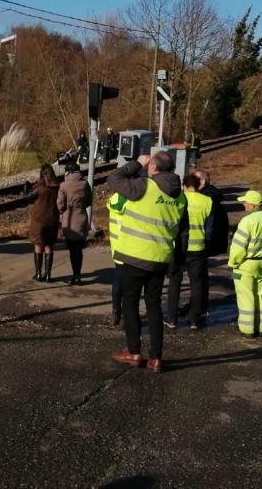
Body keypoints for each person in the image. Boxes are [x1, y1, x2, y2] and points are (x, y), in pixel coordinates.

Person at [107, 151, 187, 373]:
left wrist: (136, 164)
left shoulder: (144, 186)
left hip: (135, 256)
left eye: (149, 165)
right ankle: (156, 358)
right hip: (160, 260)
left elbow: (113, 179)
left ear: (153, 168)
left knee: (130, 304)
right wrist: (177, 263)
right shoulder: (180, 197)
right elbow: (183, 232)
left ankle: (133, 352)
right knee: (153, 306)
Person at [165, 173, 213, 331]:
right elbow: (210, 229)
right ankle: (193, 320)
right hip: (198, 249)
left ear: (184, 186)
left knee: (174, 283)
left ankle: (172, 319)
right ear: (198, 185)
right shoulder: (207, 201)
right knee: (197, 285)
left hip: (179, 248)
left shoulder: (178, 200)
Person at [228, 190, 262, 337]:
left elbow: (238, 246)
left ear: (253, 205)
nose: (243, 204)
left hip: (245, 264)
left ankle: (247, 329)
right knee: (260, 295)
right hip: (261, 263)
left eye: (245, 202)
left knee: (246, 296)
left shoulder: (247, 221)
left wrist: (233, 263)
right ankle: (261, 327)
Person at [195, 168, 229, 316]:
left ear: (202, 182)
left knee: (199, 276)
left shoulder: (206, 197)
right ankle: (200, 304)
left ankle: (200, 306)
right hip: (211, 240)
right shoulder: (213, 194)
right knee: (200, 275)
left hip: (205, 242)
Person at [57, 166, 92, 285]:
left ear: (68, 172)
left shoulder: (64, 185)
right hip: (81, 219)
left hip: (69, 221)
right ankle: (78, 274)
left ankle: (75, 275)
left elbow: (60, 205)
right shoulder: (85, 184)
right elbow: (88, 202)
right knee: (79, 250)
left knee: (72, 250)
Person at [28, 164, 61, 282]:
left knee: (38, 245)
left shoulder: (40, 188)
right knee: (49, 246)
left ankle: (38, 274)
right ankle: (48, 275)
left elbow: (27, 197)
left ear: (42, 175)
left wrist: (27, 186)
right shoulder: (57, 187)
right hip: (52, 220)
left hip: (39, 221)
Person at [107, 191, 126, 326]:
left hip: (117, 246)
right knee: (131, 284)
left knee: (118, 280)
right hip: (132, 247)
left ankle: (115, 312)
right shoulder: (134, 200)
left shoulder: (114, 198)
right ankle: (126, 314)